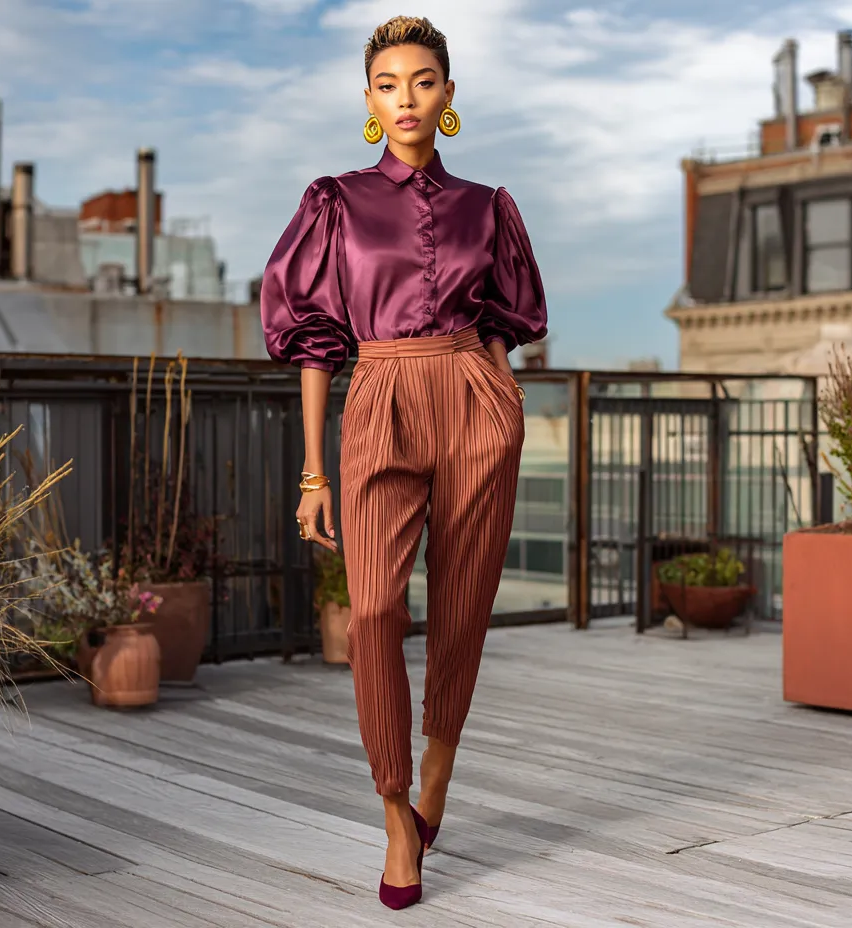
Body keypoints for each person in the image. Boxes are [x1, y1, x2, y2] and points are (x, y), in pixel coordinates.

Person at [260, 14, 547, 911]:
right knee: (375, 606)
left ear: (449, 96)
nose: (407, 99)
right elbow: (314, 342)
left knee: (463, 609)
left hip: (472, 396)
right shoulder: (334, 202)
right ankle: (394, 813)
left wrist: (502, 398)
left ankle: (435, 780)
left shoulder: (486, 206)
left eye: (424, 81)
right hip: (378, 395)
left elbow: (507, 315)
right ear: (369, 101)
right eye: (389, 84)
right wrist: (313, 473)